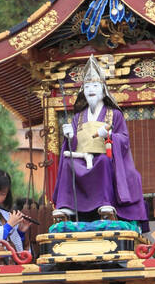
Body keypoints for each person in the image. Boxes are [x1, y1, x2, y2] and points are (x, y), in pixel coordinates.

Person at [52, 57, 146, 224]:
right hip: (82, 157)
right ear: (83, 91)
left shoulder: (114, 114)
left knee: (102, 161)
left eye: (95, 86)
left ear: (103, 90)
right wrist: (69, 136)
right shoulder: (78, 117)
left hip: (105, 156)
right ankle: (67, 205)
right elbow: (73, 145)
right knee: (68, 163)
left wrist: (108, 136)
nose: (91, 90)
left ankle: (105, 203)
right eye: (87, 87)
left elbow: (124, 140)